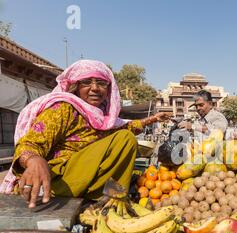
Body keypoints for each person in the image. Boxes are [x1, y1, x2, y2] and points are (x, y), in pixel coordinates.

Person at [0, 60, 171, 208]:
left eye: (101, 83)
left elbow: (124, 128)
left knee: (124, 138)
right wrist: (33, 160)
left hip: (79, 180)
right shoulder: (62, 108)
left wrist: (152, 119)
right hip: (53, 183)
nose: (95, 88)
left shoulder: (101, 116)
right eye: (87, 82)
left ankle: (108, 203)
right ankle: (113, 200)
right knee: (125, 139)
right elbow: (29, 144)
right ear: (75, 86)